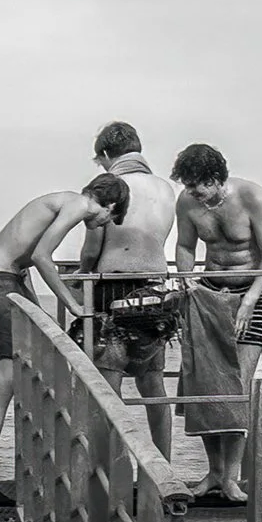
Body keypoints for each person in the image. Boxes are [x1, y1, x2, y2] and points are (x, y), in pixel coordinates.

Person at [0, 174, 130, 507]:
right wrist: (72, 304)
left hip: (8, 281)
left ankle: (46, 470)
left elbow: (26, 257)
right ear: (109, 205)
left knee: (39, 369)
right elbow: (42, 255)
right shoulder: (78, 203)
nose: (99, 227)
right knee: (6, 380)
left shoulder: (64, 202)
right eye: (108, 221)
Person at [170, 142, 262, 501]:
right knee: (204, 383)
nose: (194, 194)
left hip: (257, 289)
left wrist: (250, 300)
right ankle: (214, 473)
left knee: (235, 386)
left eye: (199, 187)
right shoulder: (188, 202)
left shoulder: (253, 198)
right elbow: (185, 247)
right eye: (188, 187)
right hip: (210, 289)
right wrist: (187, 282)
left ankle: (232, 477)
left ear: (217, 179)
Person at [79, 122, 179, 453]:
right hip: (156, 289)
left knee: (110, 382)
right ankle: (163, 468)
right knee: (153, 383)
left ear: (107, 154)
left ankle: (114, 469)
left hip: (114, 288)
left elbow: (93, 248)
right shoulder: (165, 188)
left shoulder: (109, 185)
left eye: (100, 161)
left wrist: (82, 277)